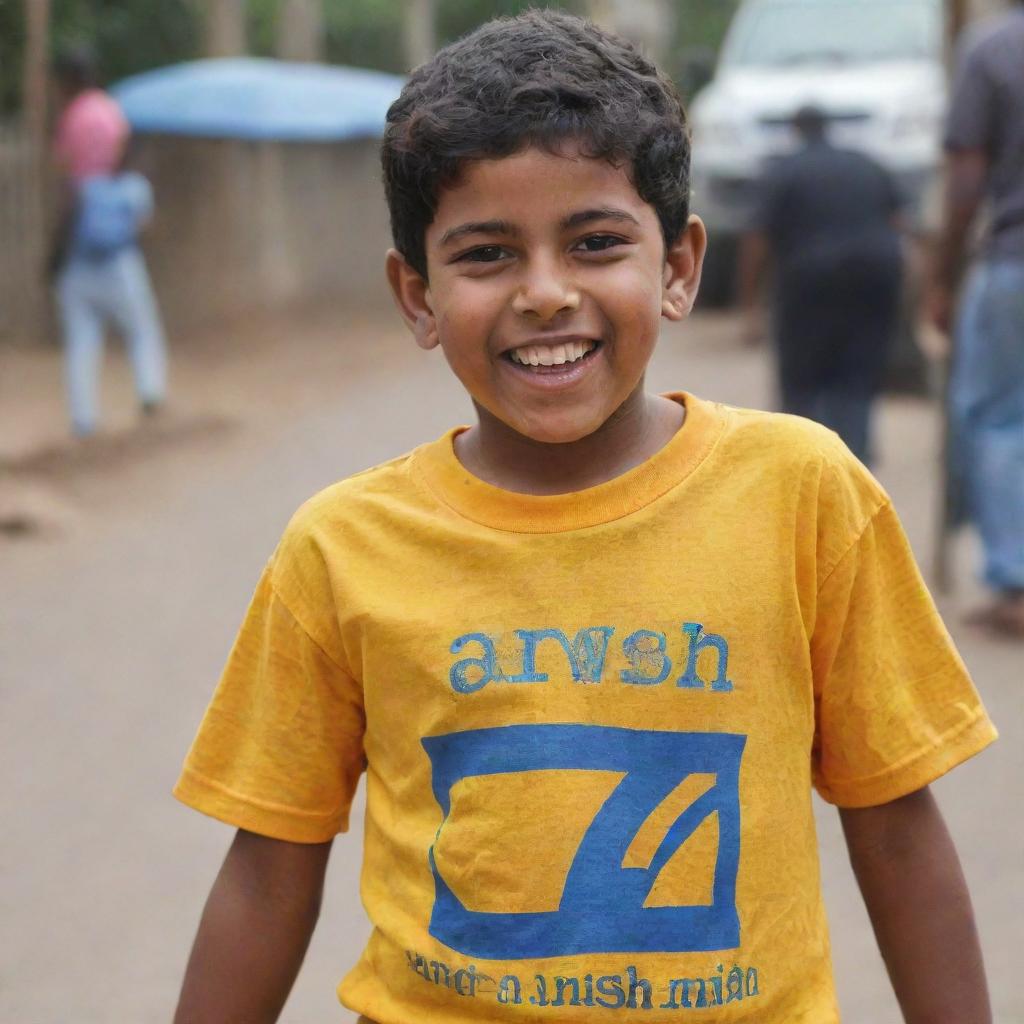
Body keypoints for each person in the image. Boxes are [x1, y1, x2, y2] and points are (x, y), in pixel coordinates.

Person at [173, 12, 995, 1023]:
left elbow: (896, 825)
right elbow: (267, 869)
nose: (546, 294)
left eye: (596, 242)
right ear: (417, 296)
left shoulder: (802, 492)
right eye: (485, 254)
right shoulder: (342, 547)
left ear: (679, 265)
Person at [924, 2, 1024, 638]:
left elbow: (966, 180)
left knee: (997, 418)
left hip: (1013, 262)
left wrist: (943, 276)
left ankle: (1015, 580)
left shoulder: (994, 50)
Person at [739, 105, 905, 465]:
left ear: (796, 132)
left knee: (802, 375)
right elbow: (899, 222)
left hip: (808, 280)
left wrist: (750, 304)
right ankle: (856, 459)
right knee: (859, 370)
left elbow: (757, 238)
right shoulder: (866, 163)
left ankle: (801, 459)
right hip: (874, 276)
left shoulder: (784, 169)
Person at [51, 47, 168, 437]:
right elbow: (141, 220)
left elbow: (67, 182)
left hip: (79, 256)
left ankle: (83, 419)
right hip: (119, 259)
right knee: (141, 328)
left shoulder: (71, 118)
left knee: (82, 340)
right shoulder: (110, 111)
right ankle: (150, 392)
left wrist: (54, 256)